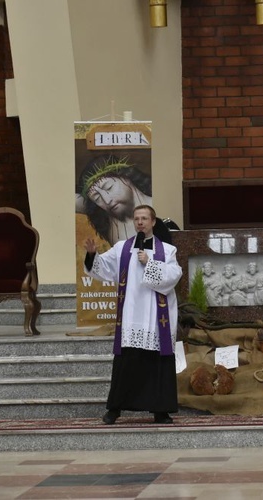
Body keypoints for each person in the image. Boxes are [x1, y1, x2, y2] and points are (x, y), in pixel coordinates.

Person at [83, 204, 183, 425]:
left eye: (144, 218)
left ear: (153, 222)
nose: (140, 222)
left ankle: (161, 411)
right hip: (131, 315)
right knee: (127, 364)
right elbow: (103, 268)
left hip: (157, 318)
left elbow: (174, 275)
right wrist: (92, 255)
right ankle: (115, 409)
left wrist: (150, 263)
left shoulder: (167, 250)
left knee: (158, 362)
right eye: (137, 218)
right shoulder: (121, 248)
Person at [76, 154, 152, 246]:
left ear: (126, 177)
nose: (107, 201)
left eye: (109, 187)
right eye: (97, 198)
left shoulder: (160, 206)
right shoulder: (104, 218)